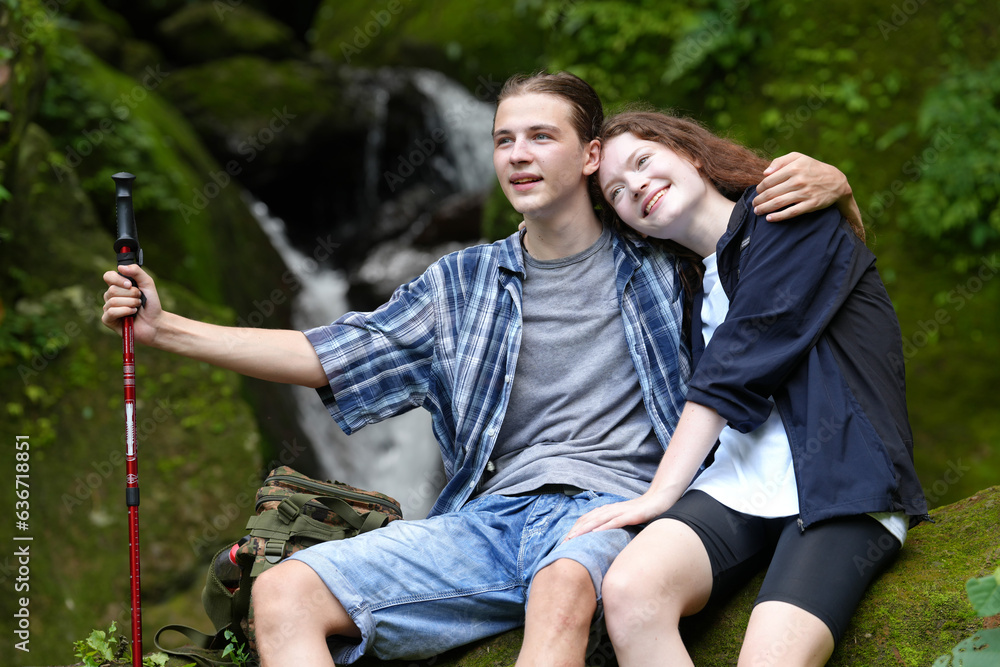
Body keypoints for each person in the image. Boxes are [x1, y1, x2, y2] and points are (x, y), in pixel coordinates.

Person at [102, 72, 860, 667]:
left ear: (590, 154)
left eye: (540, 136)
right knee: (284, 590)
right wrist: (168, 329)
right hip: (488, 518)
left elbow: (772, 253)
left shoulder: (662, 255)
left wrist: (834, 185)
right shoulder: (458, 283)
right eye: (504, 140)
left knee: (560, 589)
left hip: (615, 511)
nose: (518, 155)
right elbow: (325, 352)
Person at [566, 110, 929, 666]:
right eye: (616, 191)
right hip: (736, 486)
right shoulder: (684, 287)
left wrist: (659, 496)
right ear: (628, 224)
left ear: (688, 152)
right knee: (630, 591)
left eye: (643, 161)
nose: (636, 185)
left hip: (839, 483)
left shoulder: (789, 213)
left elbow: (738, 364)